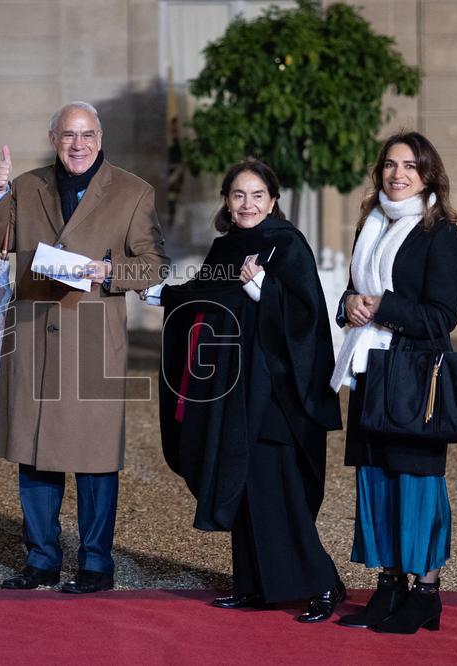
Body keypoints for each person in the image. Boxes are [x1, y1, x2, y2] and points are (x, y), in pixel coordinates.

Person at [0, 101, 169, 594]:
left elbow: (154, 265)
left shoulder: (132, 191)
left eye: (86, 136)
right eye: (67, 136)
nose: (77, 145)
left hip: (93, 344)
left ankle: (95, 564)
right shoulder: (26, 185)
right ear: (53, 139)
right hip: (35, 339)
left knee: (95, 458)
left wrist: (111, 272)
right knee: (34, 452)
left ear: (100, 139)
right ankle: (40, 560)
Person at [156, 159, 345, 622]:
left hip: (277, 395)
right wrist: (160, 294)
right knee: (240, 485)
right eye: (239, 195)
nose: (248, 203)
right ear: (226, 200)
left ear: (273, 200)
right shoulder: (226, 248)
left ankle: (324, 585)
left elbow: (308, 318)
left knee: (277, 489)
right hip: (234, 391)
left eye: (257, 195)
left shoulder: (286, 245)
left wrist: (263, 289)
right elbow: (204, 294)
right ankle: (253, 585)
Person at [330, 131, 457, 633]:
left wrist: (383, 306)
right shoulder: (371, 223)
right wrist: (350, 303)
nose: (398, 174)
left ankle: (426, 592)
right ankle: (389, 587)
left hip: (413, 379)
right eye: (390, 164)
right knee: (376, 480)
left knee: (416, 483)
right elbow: (354, 290)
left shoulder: (440, 232)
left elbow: (442, 316)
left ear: (428, 174)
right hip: (369, 371)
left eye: (410, 165)